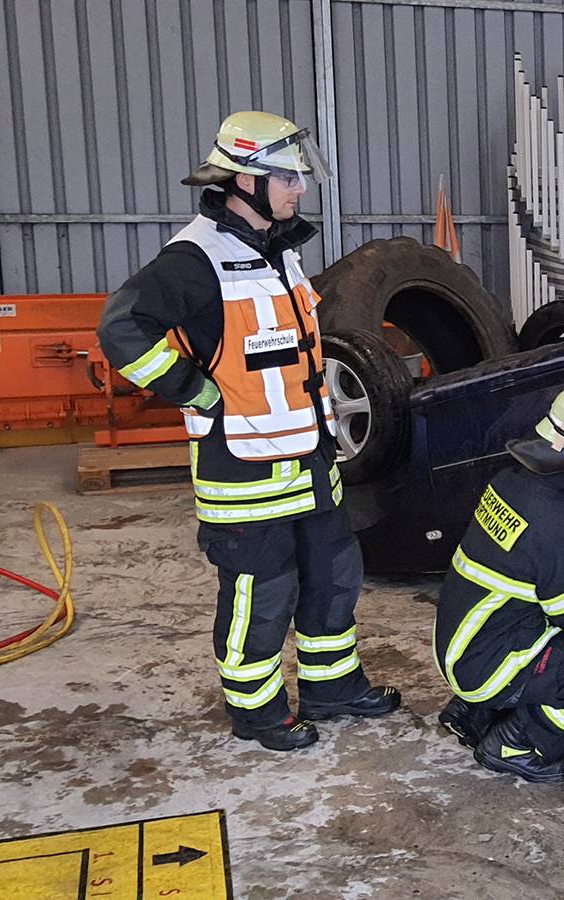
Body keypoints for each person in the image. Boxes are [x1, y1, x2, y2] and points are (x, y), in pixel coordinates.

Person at [98, 111, 398, 751]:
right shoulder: (195, 258)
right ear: (243, 180)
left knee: (333, 579)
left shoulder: (280, 251)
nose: (300, 190)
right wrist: (194, 389)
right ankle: (258, 713)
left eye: (300, 177)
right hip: (244, 471)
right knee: (263, 596)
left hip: (311, 461)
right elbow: (121, 330)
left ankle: (331, 687)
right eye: (289, 178)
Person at [432, 386, 564, 782]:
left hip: (463, 644)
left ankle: (476, 712)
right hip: (489, 663)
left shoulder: (515, 482)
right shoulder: (557, 522)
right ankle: (521, 744)